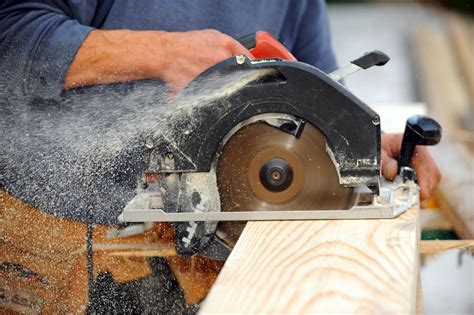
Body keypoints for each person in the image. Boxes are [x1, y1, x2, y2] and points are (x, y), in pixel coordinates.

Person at [0, 0, 440, 312]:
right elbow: (10, 32)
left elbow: (314, 97)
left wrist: (364, 140)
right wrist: (164, 53)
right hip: (62, 248)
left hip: (221, 261)